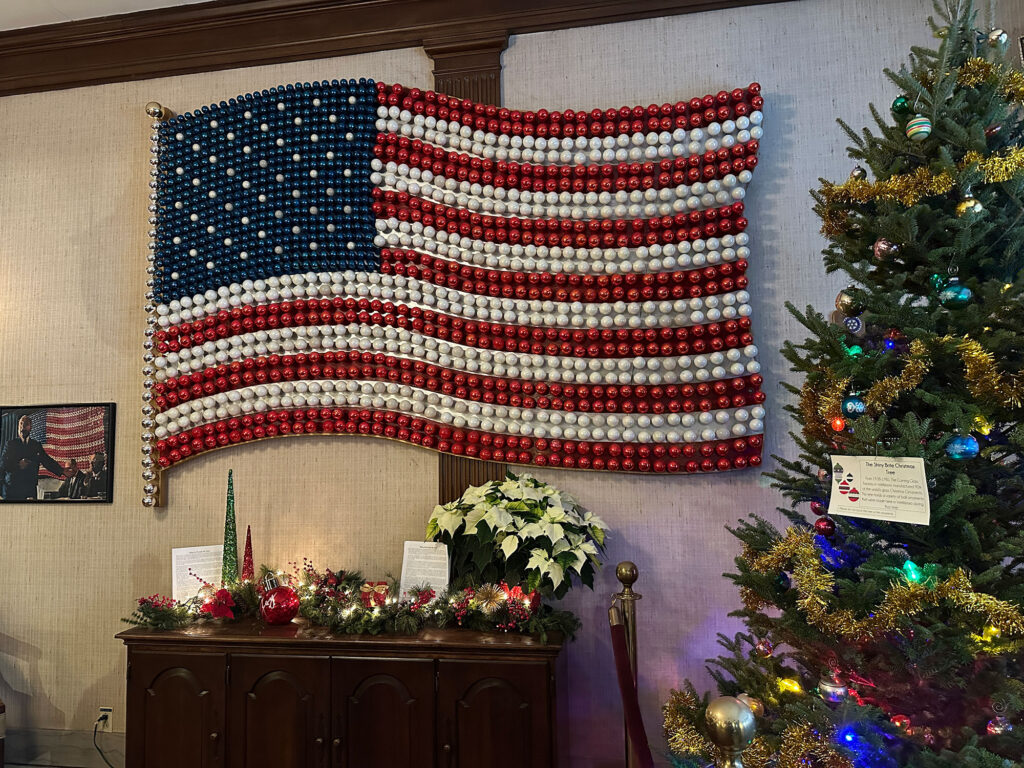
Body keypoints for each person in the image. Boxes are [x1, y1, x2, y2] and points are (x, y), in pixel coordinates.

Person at [0, 414, 67, 500]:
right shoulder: (10, 444)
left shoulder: (36, 445)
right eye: (21, 424)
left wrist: (62, 471)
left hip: (29, 490)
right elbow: (3, 464)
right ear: (18, 427)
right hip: (12, 491)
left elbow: (47, 461)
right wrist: (18, 465)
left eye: (26, 424)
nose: (23, 426)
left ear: (30, 427)